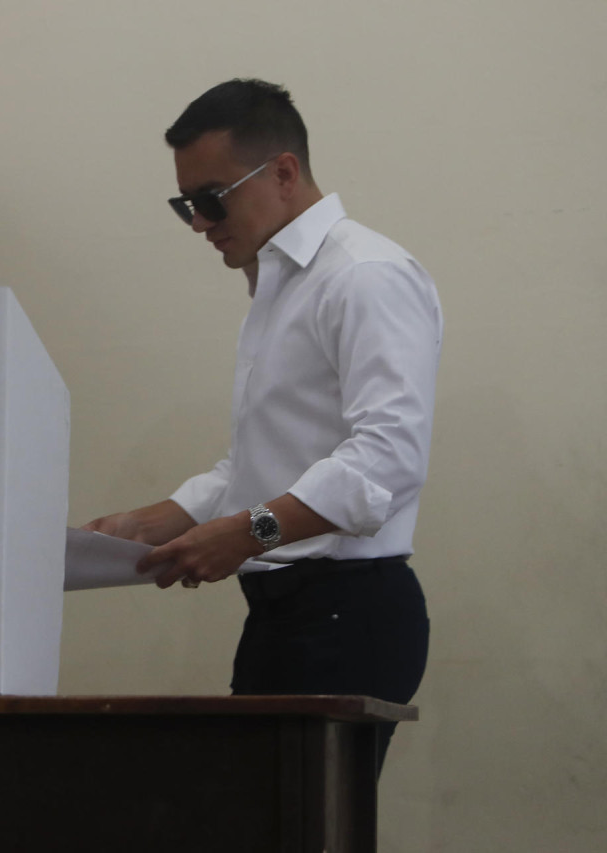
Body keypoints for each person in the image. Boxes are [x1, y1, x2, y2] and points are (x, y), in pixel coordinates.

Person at [82, 79, 440, 772]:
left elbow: (387, 460)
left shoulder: (365, 276)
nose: (199, 221)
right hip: (286, 614)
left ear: (283, 173)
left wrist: (247, 532)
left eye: (212, 197)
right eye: (186, 203)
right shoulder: (280, 283)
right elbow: (262, 463)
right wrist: (154, 522)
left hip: (348, 614)